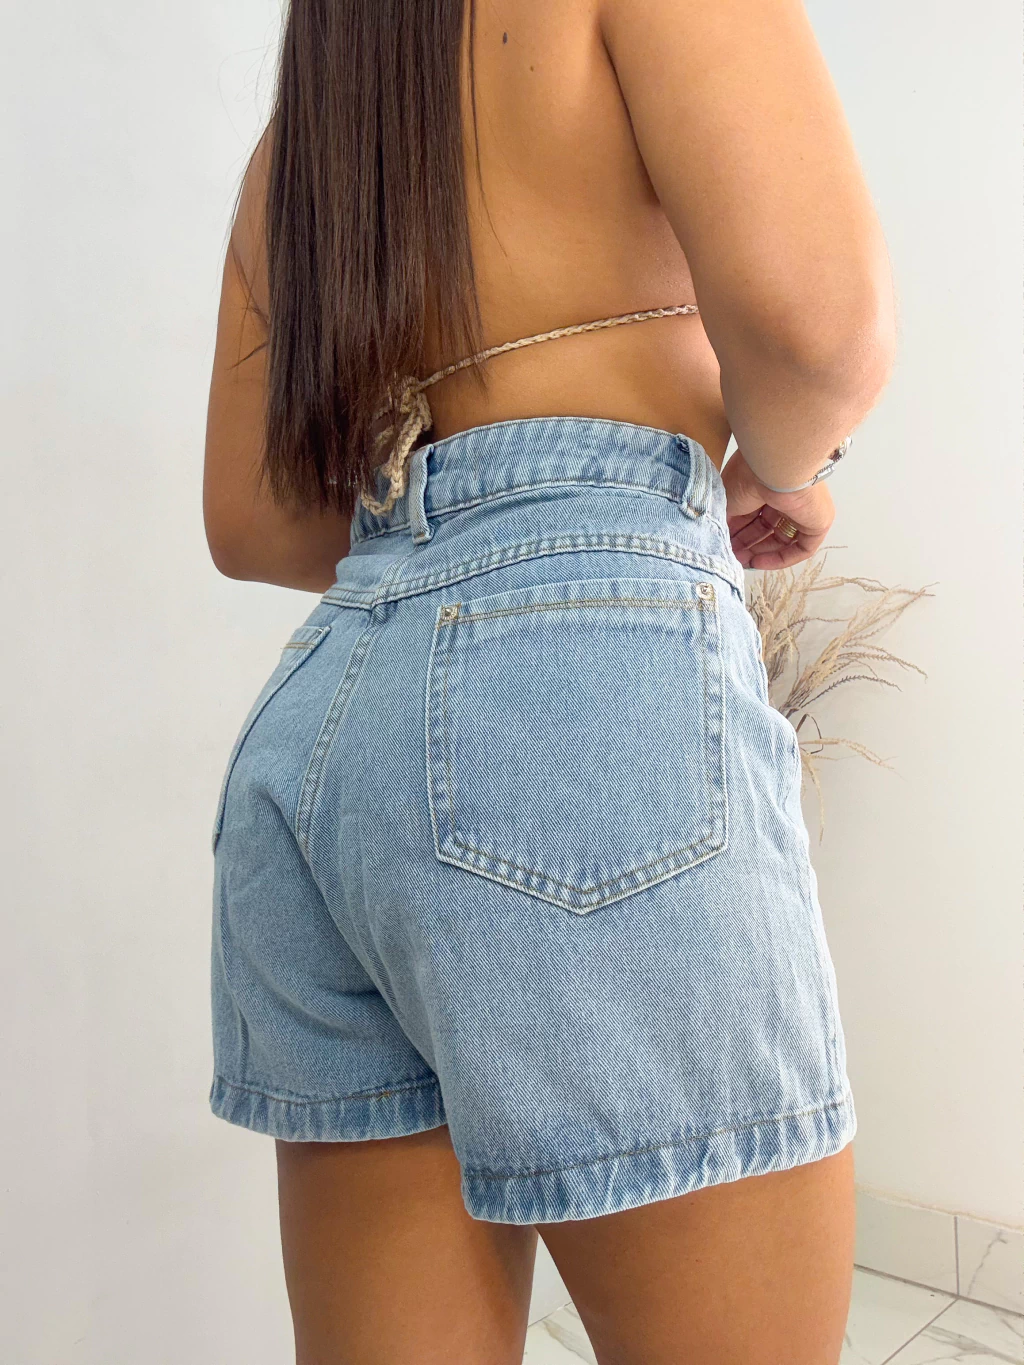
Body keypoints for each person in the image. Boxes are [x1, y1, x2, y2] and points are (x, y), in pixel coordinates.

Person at [202, 0, 895, 1359]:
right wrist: (778, 467)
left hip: (329, 731)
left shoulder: (309, 127)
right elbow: (819, 333)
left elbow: (253, 520)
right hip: (578, 683)